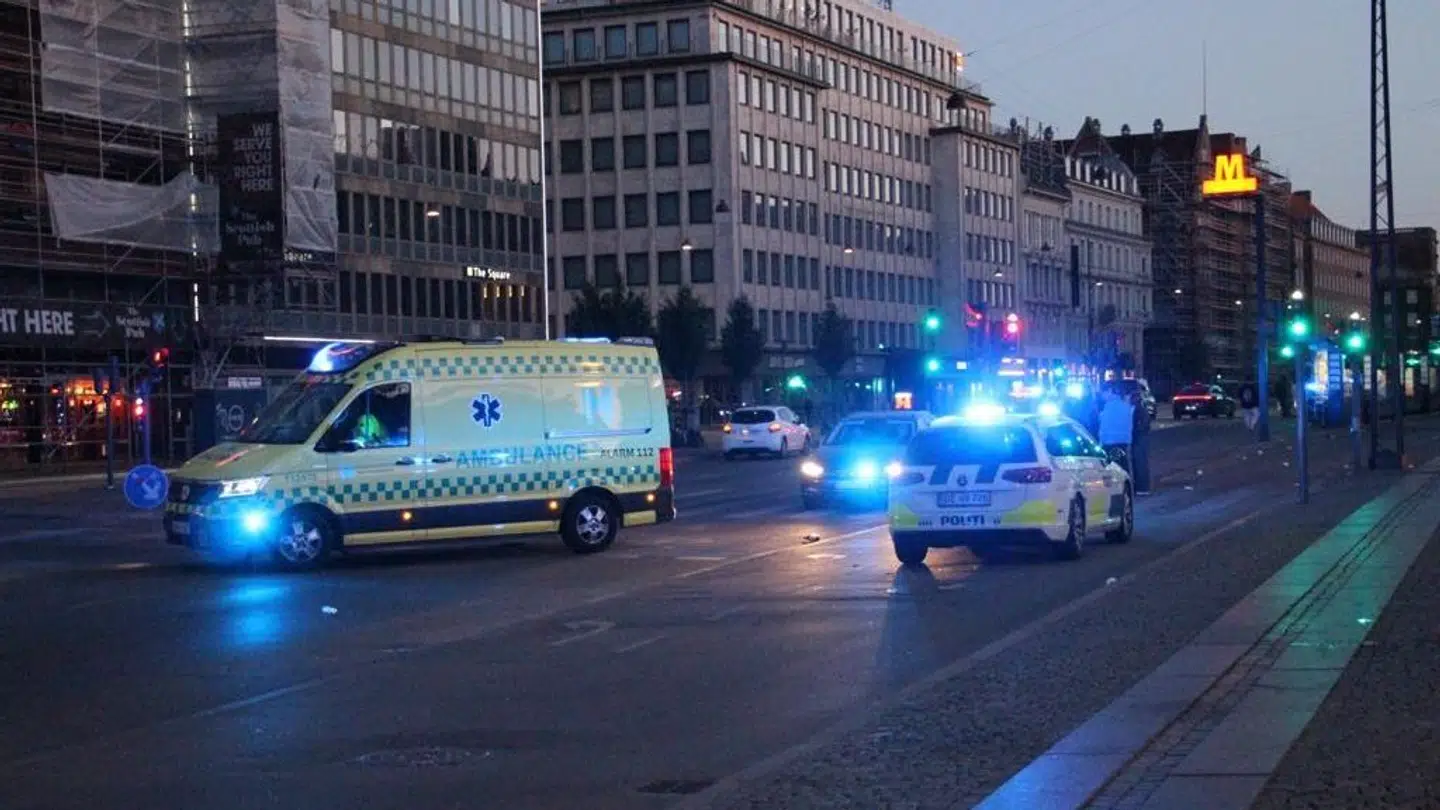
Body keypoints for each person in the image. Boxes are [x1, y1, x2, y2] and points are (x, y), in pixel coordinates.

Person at [1096, 384, 1135, 476]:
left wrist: (1101, 442)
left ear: (1109, 391)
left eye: (1103, 393)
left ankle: (1116, 488)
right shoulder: (1125, 405)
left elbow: (1104, 426)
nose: (1102, 396)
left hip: (1110, 441)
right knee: (1123, 466)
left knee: (1111, 469)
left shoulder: (1108, 407)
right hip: (1124, 441)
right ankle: (1128, 487)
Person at [1129, 387, 1152, 494]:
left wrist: (1136, 431)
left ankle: (1142, 487)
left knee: (1140, 462)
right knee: (1137, 462)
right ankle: (1140, 486)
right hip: (1138, 438)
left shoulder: (1140, 410)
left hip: (1139, 438)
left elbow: (1144, 425)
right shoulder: (1138, 409)